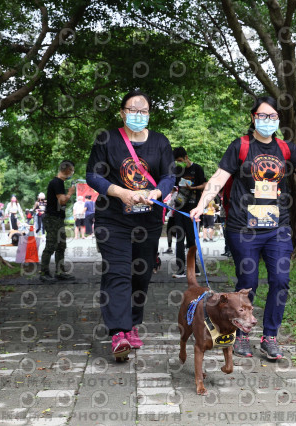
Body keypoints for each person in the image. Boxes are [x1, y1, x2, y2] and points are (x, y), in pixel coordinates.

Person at [190, 96, 296, 360]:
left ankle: (270, 337)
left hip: (277, 227)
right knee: (248, 283)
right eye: (263, 116)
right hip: (243, 228)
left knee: (281, 280)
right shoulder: (240, 146)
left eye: (273, 117)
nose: (268, 121)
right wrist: (202, 204)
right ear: (253, 118)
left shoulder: (285, 148)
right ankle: (240, 335)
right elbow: (218, 178)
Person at [86, 89, 175, 361]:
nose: (138, 115)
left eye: (144, 110)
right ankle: (118, 332)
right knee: (118, 272)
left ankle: (133, 323)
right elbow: (92, 175)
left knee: (141, 274)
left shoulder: (160, 142)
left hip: (147, 221)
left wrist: (157, 193)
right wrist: (119, 191)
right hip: (113, 219)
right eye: (133, 110)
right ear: (122, 112)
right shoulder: (107, 139)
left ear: (149, 114)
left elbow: (169, 176)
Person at [172, 147, 206, 278]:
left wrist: (193, 188)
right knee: (179, 239)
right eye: (176, 161)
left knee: (192, 239)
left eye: (180, 160)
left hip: (193, 209)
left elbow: (205, 184)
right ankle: (180, 270)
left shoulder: (197, 168)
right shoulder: (177, 171)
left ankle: (195, 268)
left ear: (186, 157)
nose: (179, 163)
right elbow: (172, 185)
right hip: (180, 208)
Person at [40, 160, 76, 282]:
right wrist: (70, 193)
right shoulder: (56, 182)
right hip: (52, 218)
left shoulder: (59, 183)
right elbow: (62, 201)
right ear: (67, 170)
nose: (72, 173)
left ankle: (60, 271)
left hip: (59, 218)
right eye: (72, 171)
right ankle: (44, 272)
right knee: (51, 245)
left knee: (61, 245)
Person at [164, 187, 178, 253]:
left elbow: (171, 204)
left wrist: (167, 204)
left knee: (169, 231)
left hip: (173, 216)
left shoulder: (175, 194)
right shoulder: (175, 194)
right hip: (174, 215)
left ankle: (170, 248)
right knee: (173, 231)